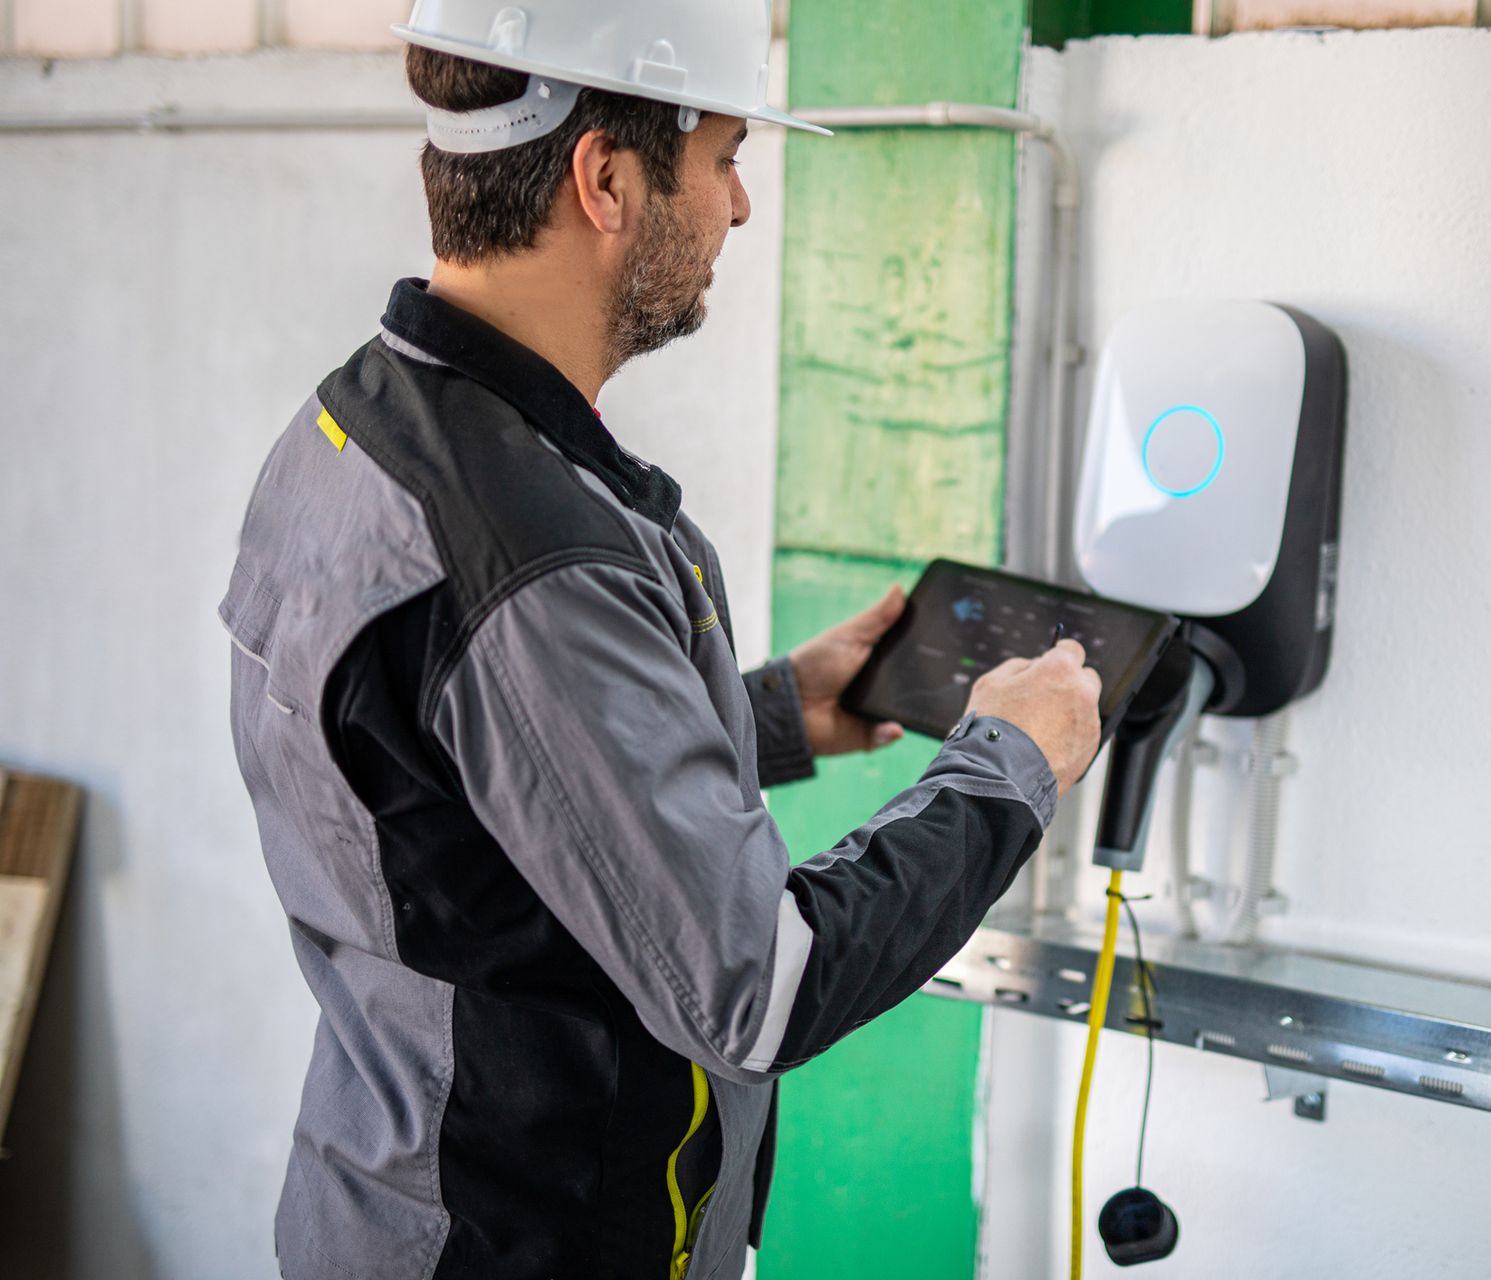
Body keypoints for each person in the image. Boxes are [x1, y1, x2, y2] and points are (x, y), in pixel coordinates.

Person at [216, 3, 1101, 1278]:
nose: (740, 206)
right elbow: (765, 985)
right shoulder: (530, 551)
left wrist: (781, 711)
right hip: (519, 1244)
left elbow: (489, 789)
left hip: (389, 1201)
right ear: (607, 177)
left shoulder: (361, 425)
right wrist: (1009, 764)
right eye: (728, 155)